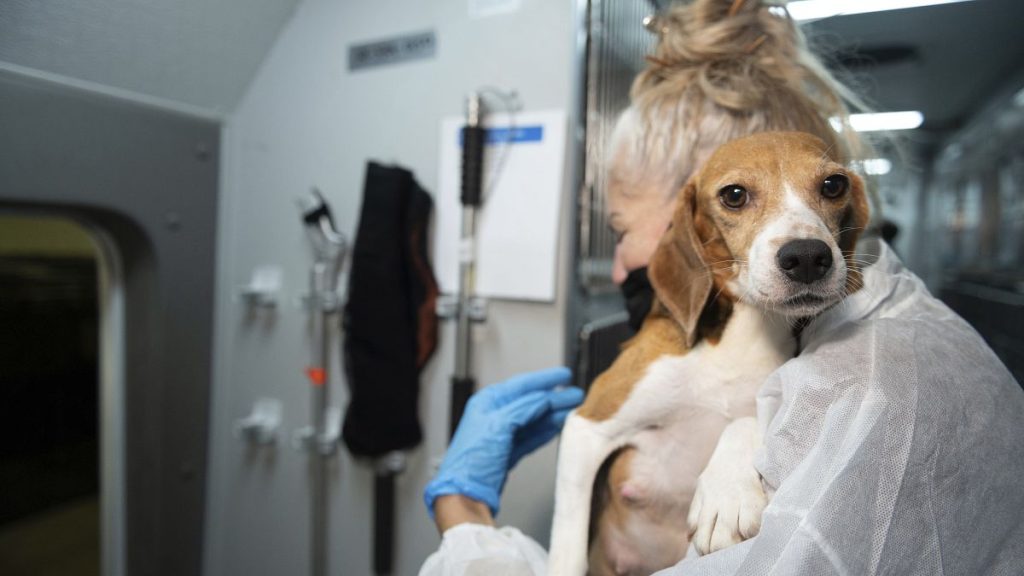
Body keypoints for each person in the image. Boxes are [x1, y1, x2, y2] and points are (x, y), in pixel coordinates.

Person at [421, 1, 1024, 574]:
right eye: (738, 196)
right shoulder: (856, 344)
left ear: (688, 219)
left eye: (621, 230)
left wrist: (461, 515)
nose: (617, 266)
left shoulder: (866, 391)